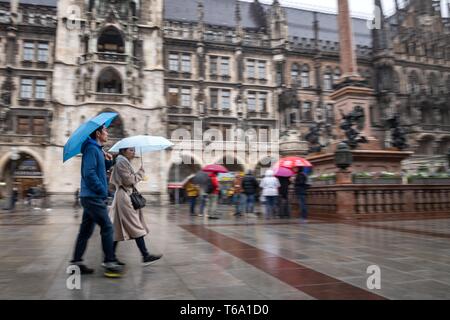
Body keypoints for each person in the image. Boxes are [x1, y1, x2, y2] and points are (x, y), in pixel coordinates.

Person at [70, 125, 123, 278]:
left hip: (90, 196)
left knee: (85, 231)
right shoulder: (92, 149)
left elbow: (99, 170)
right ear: (98, 134)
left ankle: (77, 262)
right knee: (107, 227)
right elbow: (89, 173)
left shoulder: (97, 150)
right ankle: (109, 262)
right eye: (106, 131)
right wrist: (102, 190)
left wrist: (108, 161)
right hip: (93, 197)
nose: (108, 133)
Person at [109, 147, 162, 266]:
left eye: (134, 150)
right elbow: (128, 181)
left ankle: (110, 257)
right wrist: (140, 173)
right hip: (125, 197)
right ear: (123, 151)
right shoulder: (121, 161)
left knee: (117, 228)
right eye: (131, 150)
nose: (134, 152)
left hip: (123, 195)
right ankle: (145, 255)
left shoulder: (122, 161)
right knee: (135, 225)